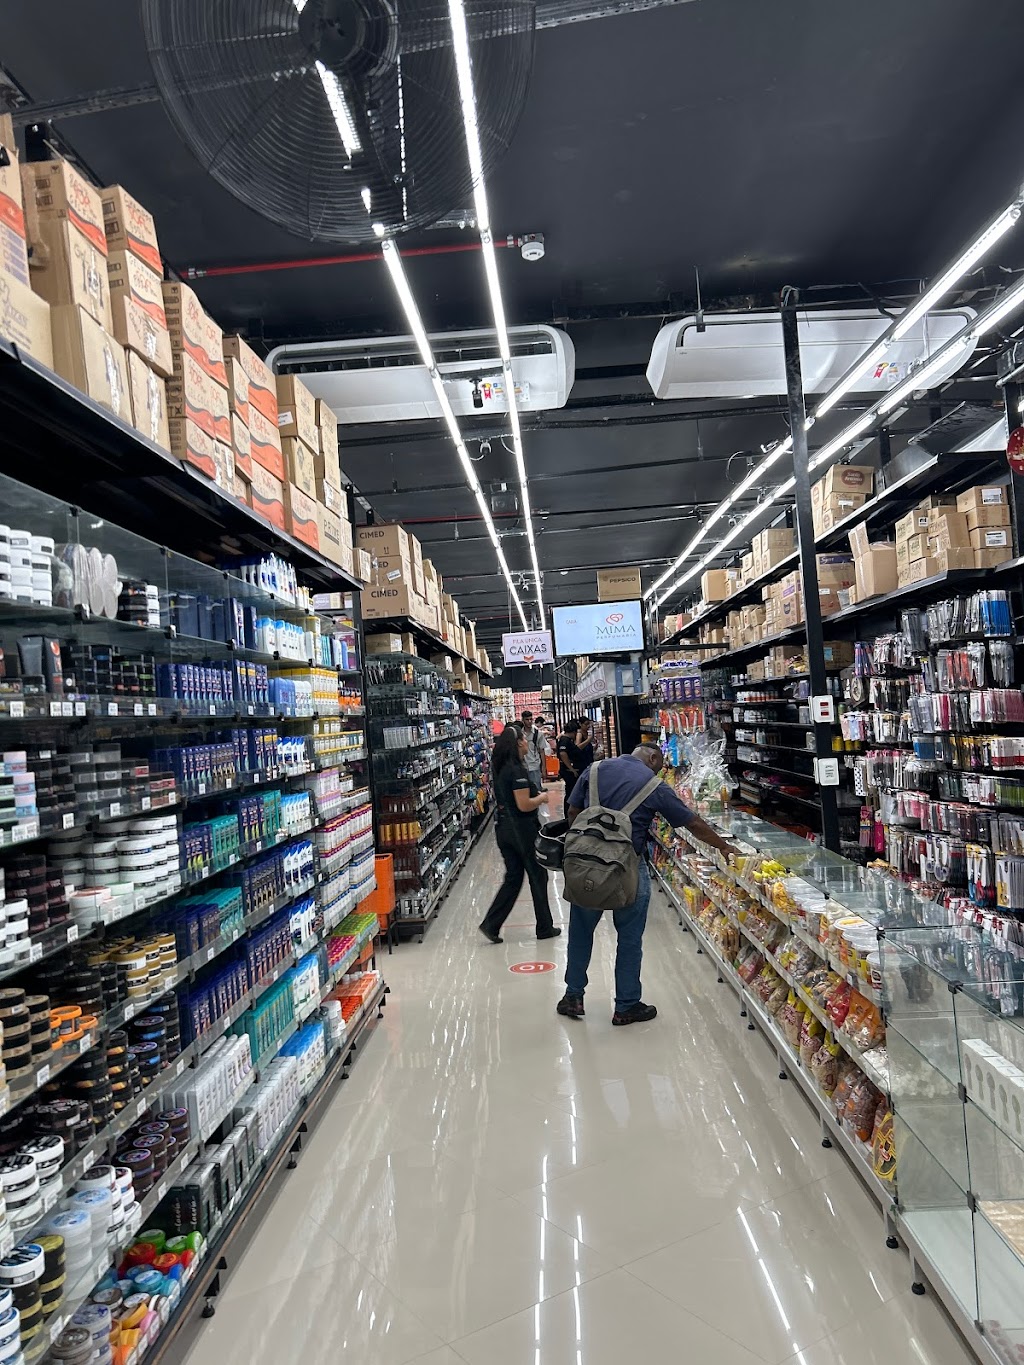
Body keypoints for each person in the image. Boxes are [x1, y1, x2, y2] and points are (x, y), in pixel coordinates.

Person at [556, 743, 739, 1025]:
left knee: (580, 931)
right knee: (629, 937)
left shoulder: (593, 769)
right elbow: (692, 824)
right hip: (629, 867)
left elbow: (572, 813)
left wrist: (589, 847)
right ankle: (626, 1006)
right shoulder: (654, 786)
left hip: (587, 867)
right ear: (653, 758)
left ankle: (573, 996)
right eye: (660, 764)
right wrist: (724, 847)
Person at [478, 725, 561, 944]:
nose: (527, 742)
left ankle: (491, 924)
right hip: (521, 830)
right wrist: (542, 798)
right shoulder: (516, 771)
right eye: (524, 739)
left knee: (514, 877)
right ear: (517, 744)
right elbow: (524, 804)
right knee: (538, 875)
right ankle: (544, 927)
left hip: (503, 828)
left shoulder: (500, 768)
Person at [520, 710, 550, 791]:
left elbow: (542, 751)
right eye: (527, 719)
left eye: (531, 719)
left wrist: (544, 768)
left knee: (536, 790)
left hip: (534, 765)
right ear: (523, 720)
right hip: (523, 766)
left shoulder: (538, 733)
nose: (529, 721)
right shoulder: (519, 733)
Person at [556, 716, 582, 788]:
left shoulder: (567, 740)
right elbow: (562, 753)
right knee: (571, 788)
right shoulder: (565, 740)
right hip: (567, 770)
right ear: (573, 732)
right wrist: (571, 768)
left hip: (569, 769)